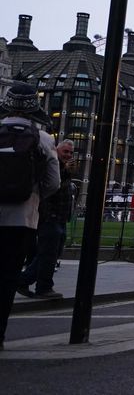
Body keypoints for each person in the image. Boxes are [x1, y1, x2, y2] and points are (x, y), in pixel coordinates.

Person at [0, 82, 60, 351]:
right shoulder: (44, 138)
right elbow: (53, 183)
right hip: (21, 218)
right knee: (8, 276)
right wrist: (33, 197)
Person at [17, 139, 75, 299]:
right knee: (48, 254)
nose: (68, 155)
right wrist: (64, 170)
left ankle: (23, 280)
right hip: (50, 216)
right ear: (57, 150)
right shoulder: (52, 165)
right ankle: (43, 287)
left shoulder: (63, 168)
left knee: (50, 253)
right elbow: (52, 187)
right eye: (65, 151)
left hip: (60, 217)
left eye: (70, 153)